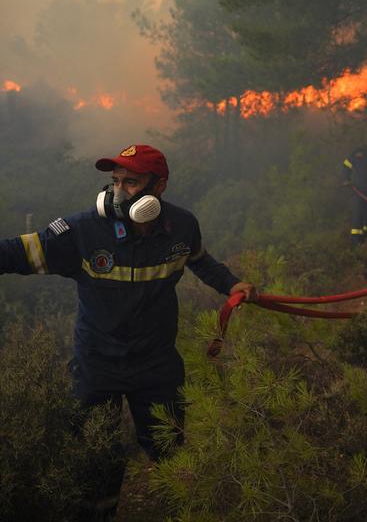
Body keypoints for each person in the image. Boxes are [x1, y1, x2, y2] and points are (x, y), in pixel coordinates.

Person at [0, 144, 256, 519]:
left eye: (131, 182)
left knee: (169, 450)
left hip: (156, 365)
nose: (119, 191)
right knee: (96, 457)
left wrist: (232, 285)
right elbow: (15, 253)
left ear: (160, 186)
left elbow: (200, 261)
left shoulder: (182, 226)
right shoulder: (82, 230)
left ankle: (180, 512)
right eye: (116, 181)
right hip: (96, 365)